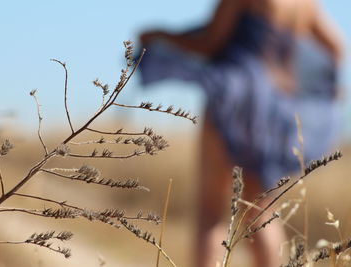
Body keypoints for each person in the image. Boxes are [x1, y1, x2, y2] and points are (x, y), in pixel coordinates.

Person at [137, 0, 343, 266]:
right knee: (262, 211)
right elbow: (336, 49)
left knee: (211, 209)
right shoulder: (306, 4)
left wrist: (159, 35)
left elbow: (210, 43)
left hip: (235, 96)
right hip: (277, 105)